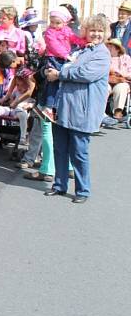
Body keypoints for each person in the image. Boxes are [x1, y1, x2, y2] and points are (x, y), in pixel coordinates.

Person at [43, 14, 111, 203]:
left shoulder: (102, 53)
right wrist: (50, 71)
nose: (96, 34)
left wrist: (60, 73)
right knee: (60, 149)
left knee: (79, 152)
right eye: (92, 30)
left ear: (105, 33)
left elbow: (86, 74)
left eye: (99, 31)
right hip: (63, 106)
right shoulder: (81, 48)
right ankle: (59, 185)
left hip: (83, 110)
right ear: (85, 32)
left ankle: (83, 190)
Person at [39, 8, 85, 114]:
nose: (54, 25)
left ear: (65, 22)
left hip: (65, 58)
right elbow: (54, 46)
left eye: (58, 23)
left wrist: (84, 42)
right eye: (52, 22)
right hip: (53, 58)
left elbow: (74, 38)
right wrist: (66, 55)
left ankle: (60, 105)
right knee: (53, 80)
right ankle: (48, 105)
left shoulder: (67, 30)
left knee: (64, 80)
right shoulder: (49, 32)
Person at [107, 38, 131, 119]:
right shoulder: (104, 57)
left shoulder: (126, 58)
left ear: (117, 49)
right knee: (103, 87)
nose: (108, 48)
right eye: (108, 46)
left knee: (121, 87)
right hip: (108, 80)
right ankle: (100, 113)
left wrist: (121, 74)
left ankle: (118, 111)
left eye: (111, 46)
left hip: (121, 81)